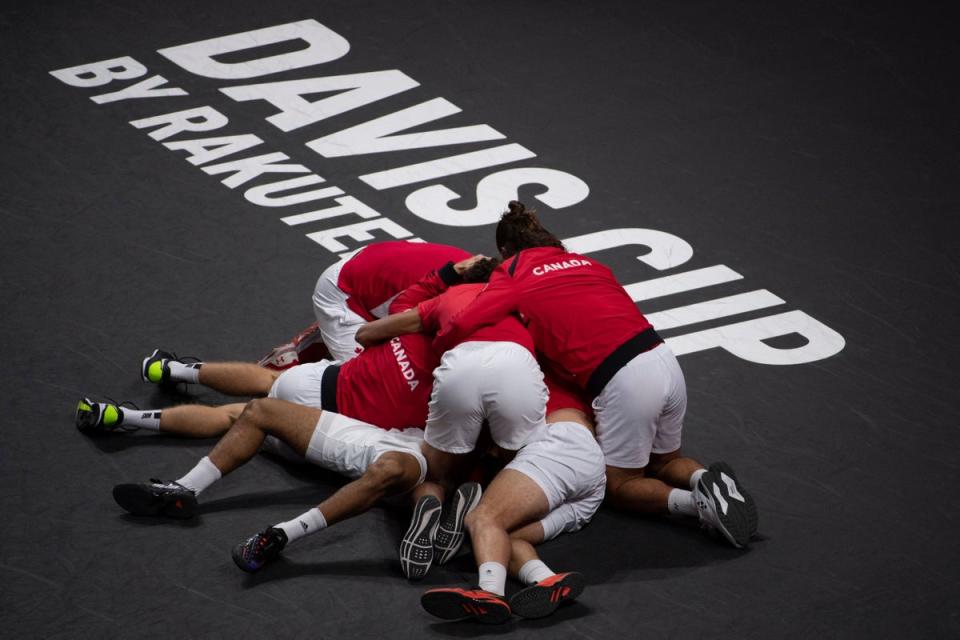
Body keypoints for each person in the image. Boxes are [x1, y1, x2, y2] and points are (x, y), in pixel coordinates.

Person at [431, 202, 758, 548]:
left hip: (623, 380)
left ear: (505, 250)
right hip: (663, 359)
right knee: (665, 462)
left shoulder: (512, 271)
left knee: (620, 485)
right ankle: (703, 477)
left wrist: (437, 343)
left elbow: (467, 321)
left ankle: (697, 504)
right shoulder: (592, 265)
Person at [356, 257, 548, 580]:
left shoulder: (447, 298)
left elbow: (366, 333)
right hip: (518, 367)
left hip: (462, 367)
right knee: (512, 460)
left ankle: (432, 502)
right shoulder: (521, 302)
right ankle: (480, 493)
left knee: (433, 469)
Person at [420, 374, 605, 623]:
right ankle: (545, 579)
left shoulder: (510, 382)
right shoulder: (544, 383)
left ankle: (489, 592)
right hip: (592, 481)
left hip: (561, 446)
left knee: (484, 518)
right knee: (504, 536)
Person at [312, 240, 469, 361]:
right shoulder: (447, 302)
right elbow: (399, 318)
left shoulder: (482, 268)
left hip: (375, 258)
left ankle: (323, 336)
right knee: (369, 380)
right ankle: (295, 358)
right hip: (343, 291)